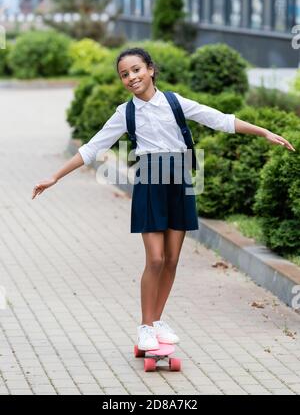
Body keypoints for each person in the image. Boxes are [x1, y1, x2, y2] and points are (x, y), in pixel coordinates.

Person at [32, 47, 295, 351]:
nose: (131, 77)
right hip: (150, 183)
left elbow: (219, 119)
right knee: (155, 259)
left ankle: (157, 322)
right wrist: (55, 176)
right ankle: (145, 327)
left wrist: (264, 132)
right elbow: (92, 148)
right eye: (124, 74)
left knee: (171, 259)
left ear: (151, 69)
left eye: (136, 70)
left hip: (181, 181)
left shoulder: (174, 102)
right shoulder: (125, 113)